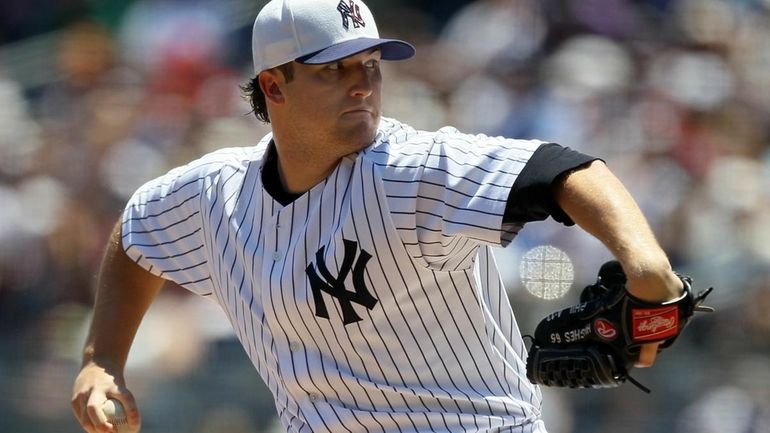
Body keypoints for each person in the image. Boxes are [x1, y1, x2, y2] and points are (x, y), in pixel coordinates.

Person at [71, 0, 685, 432]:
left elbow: (564, 170)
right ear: (274, 86)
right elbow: (137, 235)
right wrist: (102, 360)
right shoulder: (213, 195)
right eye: (334, 69)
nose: (362, 83)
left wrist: (646, 266)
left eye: (369, 64)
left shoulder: (408, 168)